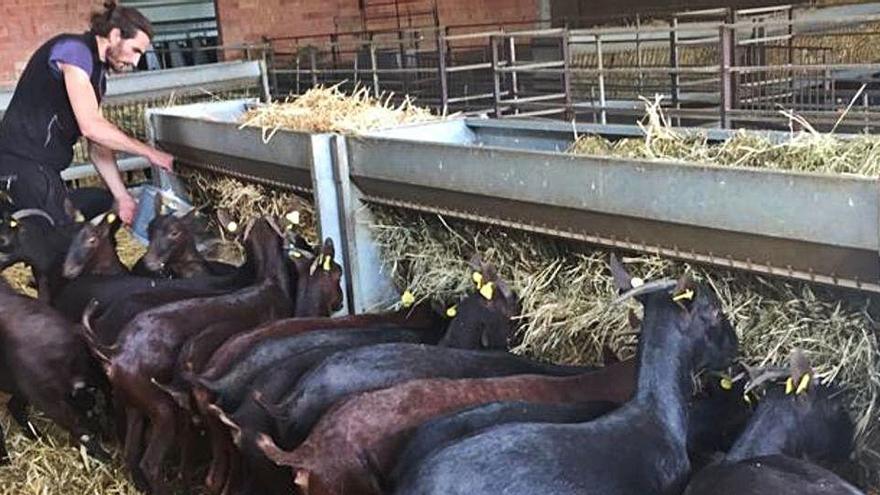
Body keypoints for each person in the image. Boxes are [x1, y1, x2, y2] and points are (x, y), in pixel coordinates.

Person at [0, 0, 174, 225]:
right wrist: (149, 152)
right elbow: (90, 127)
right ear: (114, 36)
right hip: (21, 164)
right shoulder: (75, 51)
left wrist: (122, 197)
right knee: (64, 244)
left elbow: (99, 145)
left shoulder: (97, 75)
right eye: (135, 50)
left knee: (102, 202)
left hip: (44, 169)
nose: (136, 61)